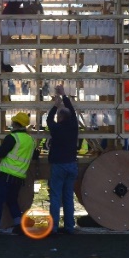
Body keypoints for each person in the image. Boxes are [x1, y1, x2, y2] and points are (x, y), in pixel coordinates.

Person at [0, 112, 36, 237]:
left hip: (6, 175)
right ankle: (19, 226)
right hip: (19, 177)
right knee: (12, 201)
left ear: (15, 124)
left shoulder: (12, 138)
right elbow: (34, 156)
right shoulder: (31, 140)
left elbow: (1, 153)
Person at [46, 85, 78, 235]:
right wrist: (65, 96)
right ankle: (69, 227)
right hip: (71, 164)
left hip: (58, 165)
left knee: (55, 197)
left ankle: (53, 227)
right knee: (68, 197)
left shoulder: (56, 129)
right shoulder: (73, 127)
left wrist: (55, 105)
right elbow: (73, 112)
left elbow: (48, 119)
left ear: (59, 118)